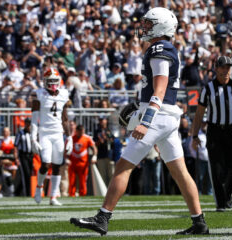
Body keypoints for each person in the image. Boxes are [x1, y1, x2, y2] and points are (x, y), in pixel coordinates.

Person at [70, 7, 209, 235]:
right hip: (168, 116)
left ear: (161, 26)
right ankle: (199, 222)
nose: (144, 27)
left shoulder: (160, 48)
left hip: (157, 115)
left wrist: (147, 120)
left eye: (149, 23)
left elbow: (160, 87)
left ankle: (103, 217)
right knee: (180, 173)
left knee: (123, 168)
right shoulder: (165, 47)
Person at [191, 56, 232, 211]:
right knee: (217, 170)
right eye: (222, 67)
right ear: (216, 69)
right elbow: (198, 114)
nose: (225, 71)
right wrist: (194, 136)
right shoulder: (208, 88)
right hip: (215, 130)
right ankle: (221, 203)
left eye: (228, 67)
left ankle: (228, 194)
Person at [31, 67, 71, 206]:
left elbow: (65, 118)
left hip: (58, 133)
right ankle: (39, 187)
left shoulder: (64, 94)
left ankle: (53, 196)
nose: (53, 84)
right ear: (44, 81)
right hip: (44, 132)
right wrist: (33, 138)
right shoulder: (39, 94)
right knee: (46, 163)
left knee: (57, 165)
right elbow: (34, 118)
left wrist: (69, 136)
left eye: (55, 81)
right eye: (50, 81)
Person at [68, 124, 97, 196]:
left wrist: (94, 156)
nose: (81, 133)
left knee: (83, 181)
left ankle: (83, 194)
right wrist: (66, 158)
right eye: (80, 131)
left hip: (83, 163)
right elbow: (66, 149)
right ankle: (71, 194)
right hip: (73, 163)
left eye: (82, 131)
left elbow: (94, 148)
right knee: (72, 181)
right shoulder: (71, 138)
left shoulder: (87, 138)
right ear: (76, 131)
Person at [13, 118, 33, 196]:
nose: (29, 125)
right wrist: (16, 158)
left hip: (31, 156)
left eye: (30, 123)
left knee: (29, 175)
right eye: (28, 123)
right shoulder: (20, 133)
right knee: (26, 174)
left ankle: (17, 192)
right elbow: (15, 146)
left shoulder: (33, 133)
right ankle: (27, 193)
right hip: (23, 156)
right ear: (25, 124)